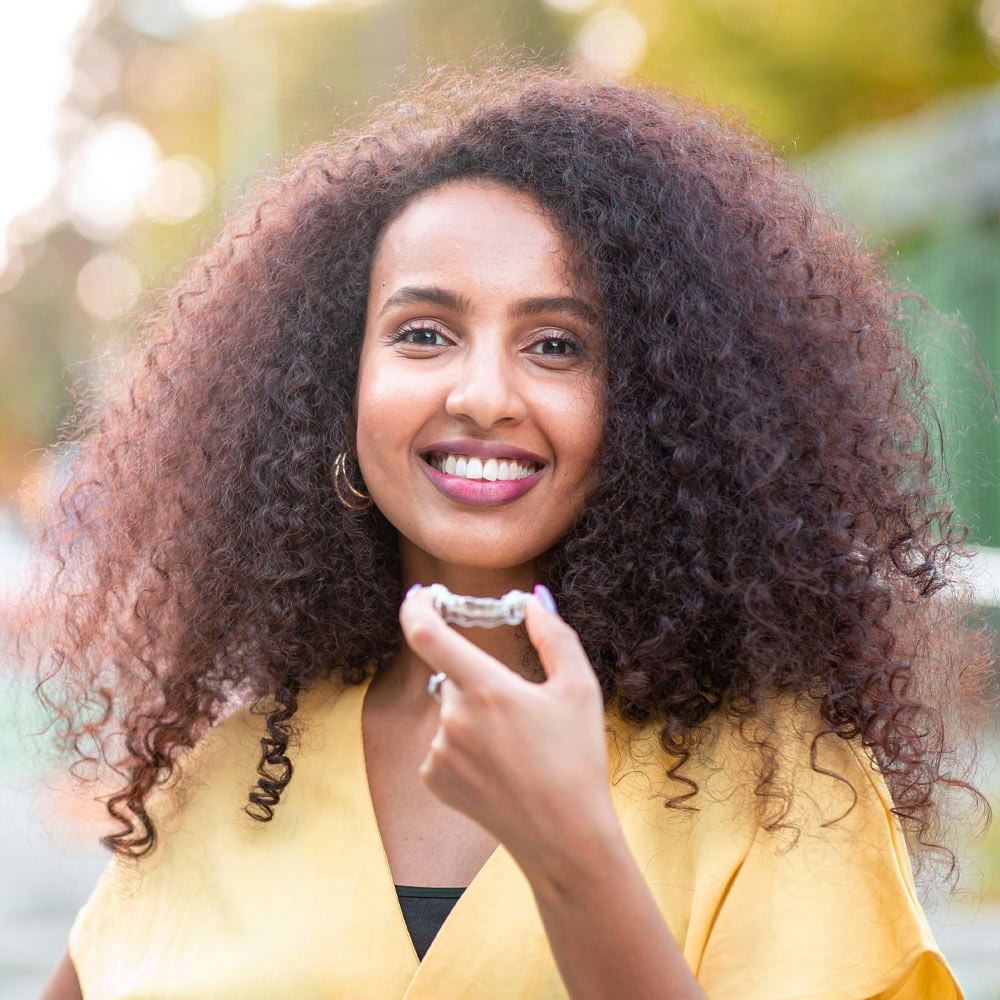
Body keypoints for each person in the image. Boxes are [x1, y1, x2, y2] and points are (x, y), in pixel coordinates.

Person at [31, 61, 992, 999]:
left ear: (660, 409)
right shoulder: (227, 770)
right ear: (335, 387)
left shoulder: (784, 781)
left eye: (557, 345)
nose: (483, 394)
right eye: (423, 333)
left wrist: (571, 849)